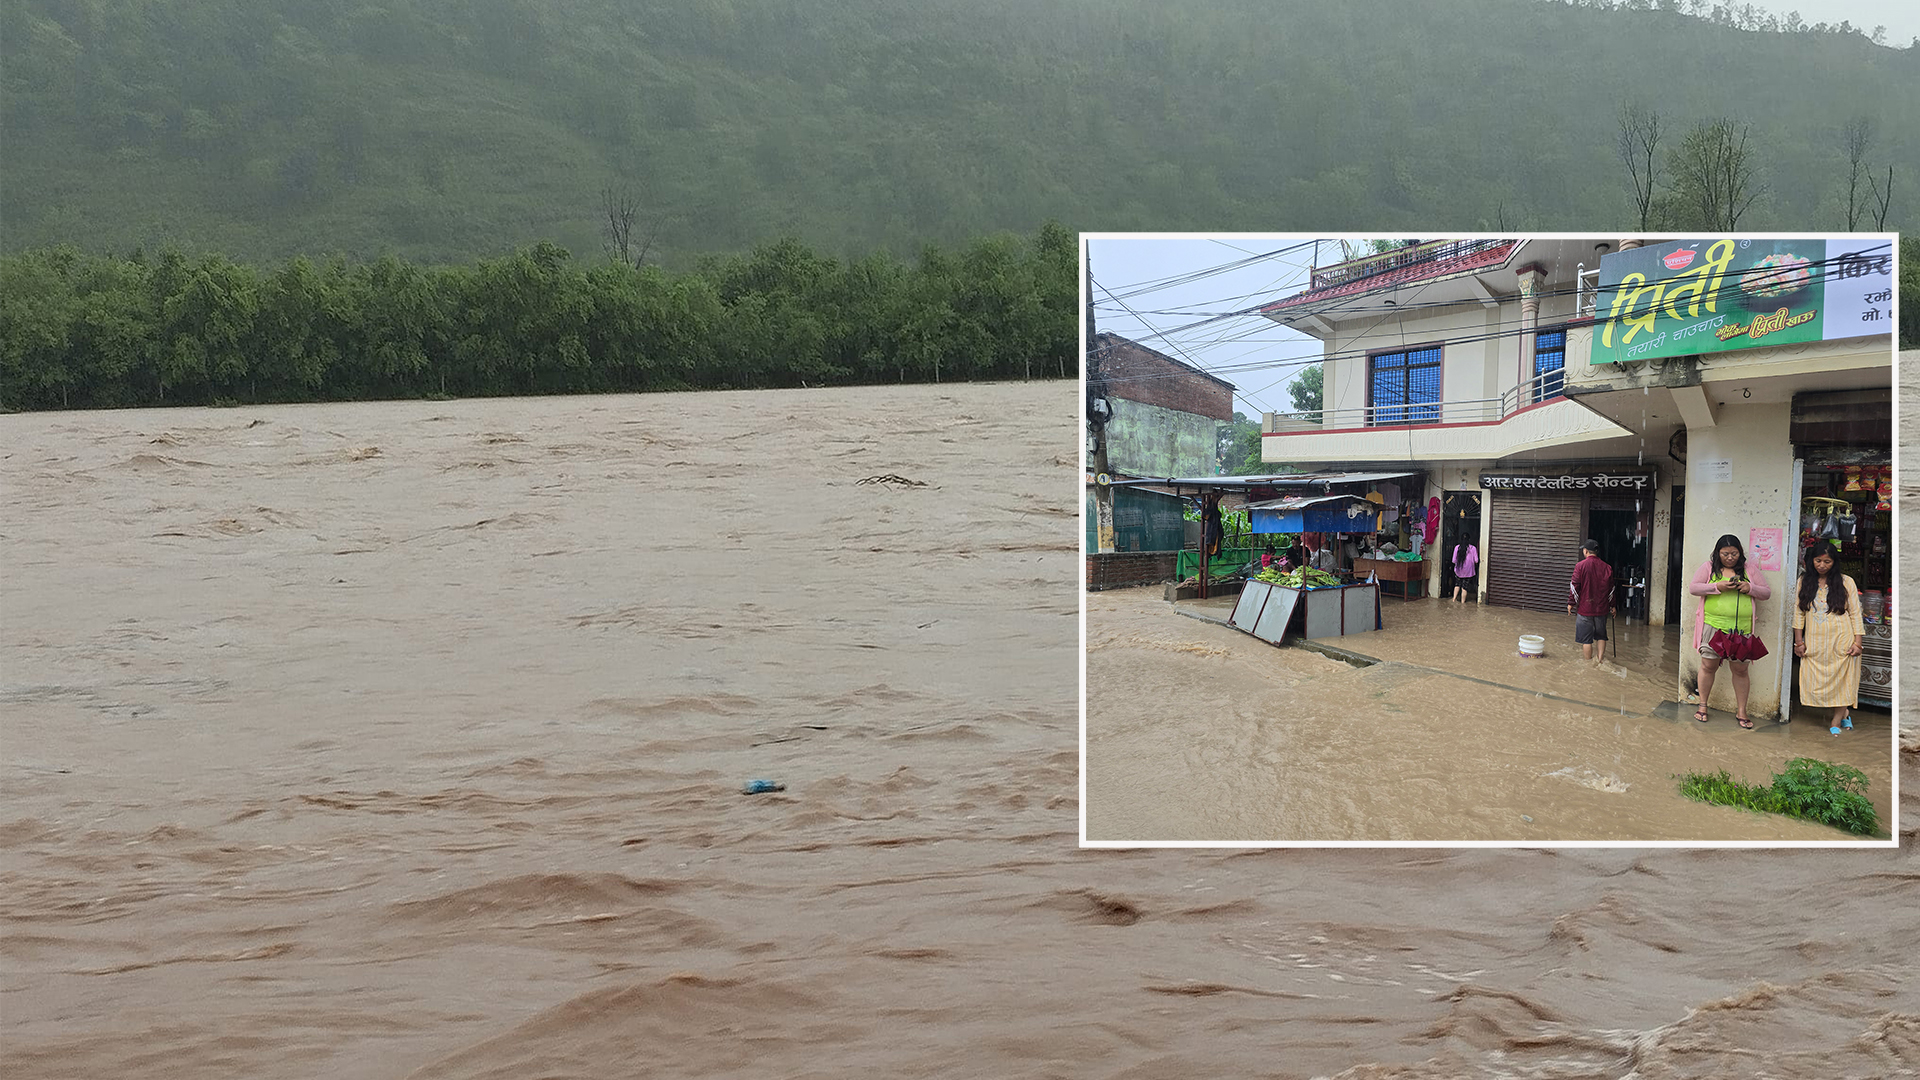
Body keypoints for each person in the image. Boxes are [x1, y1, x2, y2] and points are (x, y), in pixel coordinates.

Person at [1689, 533, 1772, 729]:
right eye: (1725, 553)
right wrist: (1716, 586)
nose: (1730, 557)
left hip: (1741, 630)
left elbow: (1766, 592)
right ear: (1718, 553)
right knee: (1708, 666)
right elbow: (1693, 588)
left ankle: (1742, 711)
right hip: (1713, 627)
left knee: (1741, 670)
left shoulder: (1749, 569)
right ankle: (1702, 706)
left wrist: (1749, 587)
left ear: (1740, 553)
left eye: (1734, 553)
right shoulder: (1709, 568)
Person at [1791, 544, 1864, 735]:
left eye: (1827, 561)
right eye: (1818, 561)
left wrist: (1858, 643)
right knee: (1815, 681)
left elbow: (1856, 614)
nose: (1822, 565)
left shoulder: (1846, 582)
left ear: (1834, 562)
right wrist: (1799, 642)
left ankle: (1836, 720)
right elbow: (1798, 613)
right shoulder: (1804, 582)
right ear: (1811, 561)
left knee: (1842, 681)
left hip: (1842, 641)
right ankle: (1845, 712)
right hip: (1814, 643)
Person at [1567, 539, 1614, 664]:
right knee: (1601, 636)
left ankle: (1588, 664)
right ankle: (1599, 661)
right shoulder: (1607, 567)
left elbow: (1574, 586)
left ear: (1586, 551)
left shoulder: (1580, 566)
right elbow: (1611, 590)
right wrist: (1612, 606)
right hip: (1602, 609)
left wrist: (1571, 603)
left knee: (1587, 640)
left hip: (1585, 609)